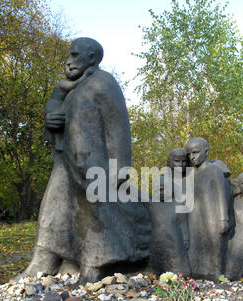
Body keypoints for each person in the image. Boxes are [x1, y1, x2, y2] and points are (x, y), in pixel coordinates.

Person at [22, 37, 150, 282]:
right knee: (52, 208)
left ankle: (94, 265)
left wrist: (120, 167)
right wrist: (52, 124)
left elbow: (118, 126)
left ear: (91, 58)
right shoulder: (70, 89)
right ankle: (43, 262)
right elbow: (57, 125)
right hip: (65, 163)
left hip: (94, 164)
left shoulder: (104, 82)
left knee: (95, 215)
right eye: (69, 56)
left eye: (74, 55)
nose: (69, 62)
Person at [185, 137, 230, 281]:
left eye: (195, 153)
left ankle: (215, 274)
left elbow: (222, 195)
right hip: (194, 216)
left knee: (213, 244)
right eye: (190, 154)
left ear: (206, 151)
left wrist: (224, 219)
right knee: (195, 245)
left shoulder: (214, 171)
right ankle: (197, 273)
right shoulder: (190, 174)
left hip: (212, 215)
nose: (192, 157)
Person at [148, 148, 191, 276]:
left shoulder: (190, 176)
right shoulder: (163, 179)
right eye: (177, 161)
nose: (180, 165)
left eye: (184, 161)